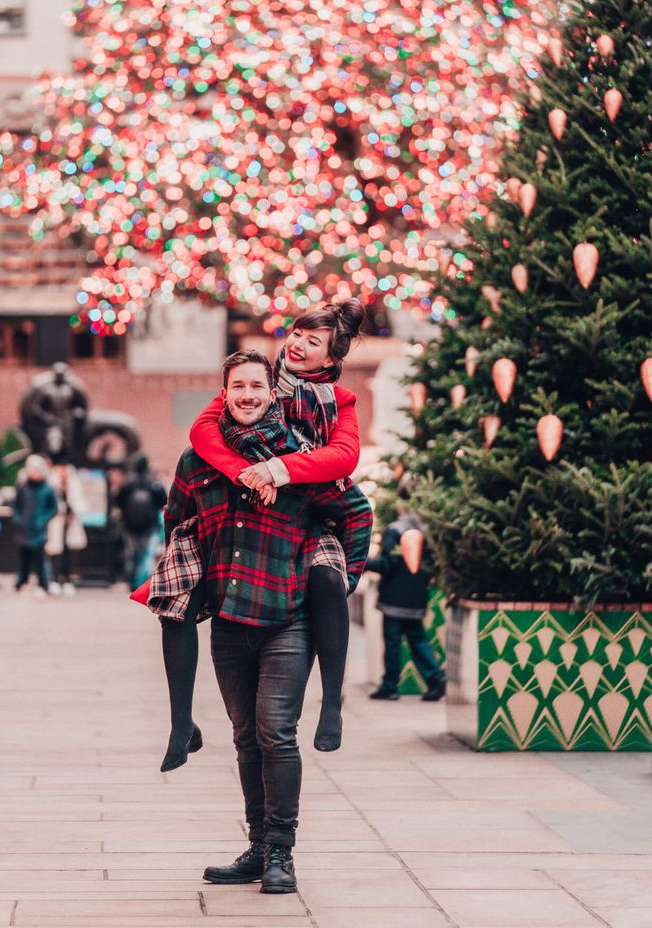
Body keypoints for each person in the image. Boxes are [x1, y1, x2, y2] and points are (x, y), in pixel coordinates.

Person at [162, 350, 372, 894]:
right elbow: (176, 519)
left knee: (276, 732)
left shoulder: (300, 455)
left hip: (288, 616)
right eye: (238, 387)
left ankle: (282, 853)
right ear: (224, 394)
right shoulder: (196, 461)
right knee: (245, 738)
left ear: (272, 392)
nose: (249, 395)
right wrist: (188, 570)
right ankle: (257, 848)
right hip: (230, 621)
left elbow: (357, 512)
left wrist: (336, 578)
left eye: (258, 385)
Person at [152, 300, 366, 763]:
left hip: (304, 511)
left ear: (331, 358)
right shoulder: (260, 377)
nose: (298, 345)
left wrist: (277, 470)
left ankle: (332, 703)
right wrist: (241, 473)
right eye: (296, 333)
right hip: (239, 501)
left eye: (313, 341)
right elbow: (203, 432)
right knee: (175, 591)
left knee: (328, 580)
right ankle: (180, 724)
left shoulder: (339, 404)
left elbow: (345, 460)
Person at [366, 483, 446, 702]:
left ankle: (390, 686)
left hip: (394, 597)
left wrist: (363, 563)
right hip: (418, 595)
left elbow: (388, 564)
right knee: (417, 638)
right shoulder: (428, 530)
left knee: (392, 642)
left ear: (403, 502)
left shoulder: (396, 530)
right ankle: (435, 678)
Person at [115, 454, 167, 590]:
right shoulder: (153, 482)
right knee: (146, 556)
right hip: (149, 525)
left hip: (130, 525)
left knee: (132, 555)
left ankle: (132, 582)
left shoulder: (128, 483)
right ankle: (141, 584)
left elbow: (118, 501)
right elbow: (164, 501)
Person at [13, 455, 58, 596]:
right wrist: (18, 519)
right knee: (24, 560)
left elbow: (53, 508)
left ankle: (43, 584)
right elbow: (16, 506)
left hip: (39, 531)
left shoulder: (48, 489)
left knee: (40, 560)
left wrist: (43, 520)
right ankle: (22, 582)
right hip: (24, 530)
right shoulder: (23, 488)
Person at [47, 463, 87, 596]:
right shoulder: (51, 483)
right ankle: (55, 580)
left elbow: (80, 501)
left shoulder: (74, 483)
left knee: (69, 552)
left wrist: (72, 510)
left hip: (71, 523)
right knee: (55, 552)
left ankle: (67, 580)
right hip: (56, 522)